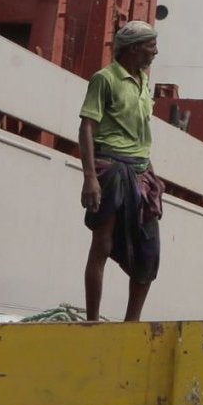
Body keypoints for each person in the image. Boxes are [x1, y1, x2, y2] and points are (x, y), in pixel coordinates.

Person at [78, 19, 163, 321]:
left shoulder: (143, 81)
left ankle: (132, 323)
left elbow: (140, 132)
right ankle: (92, 320)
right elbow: (87, 126)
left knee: (149, 253)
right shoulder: (105, 79)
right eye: (151, 45)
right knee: (102, 243)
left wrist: (151, 173)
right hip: (112, 167)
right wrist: (90, 177)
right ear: (135, 48)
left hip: (141, 172)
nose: (155, 51)